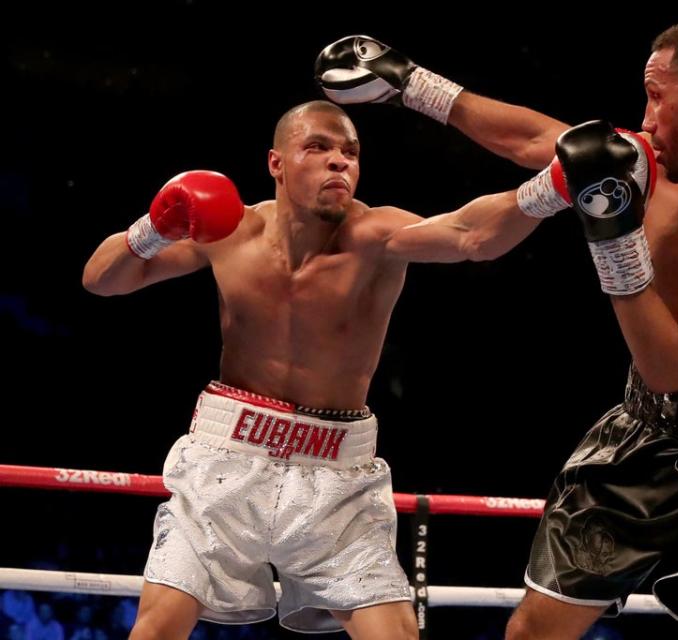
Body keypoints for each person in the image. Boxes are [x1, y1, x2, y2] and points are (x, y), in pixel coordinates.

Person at [317, 20, 678, 639]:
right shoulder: (651, 164)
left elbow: (669, 365)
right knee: (532, 633)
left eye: (655, 96)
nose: (644, 120)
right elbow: (536, 138)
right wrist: (411, 84)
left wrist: (612, 236)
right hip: (647, 430)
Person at [81, 99, 549, 638]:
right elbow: (103, 279)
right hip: (226, 462)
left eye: (350, 152)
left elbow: (473, 235)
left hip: (337, 478)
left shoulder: (377, 236)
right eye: (318, 148)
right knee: (157, 628)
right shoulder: (229, 232)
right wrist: (154, 228)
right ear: (276, 163)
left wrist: (554, 186)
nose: (339, 163)